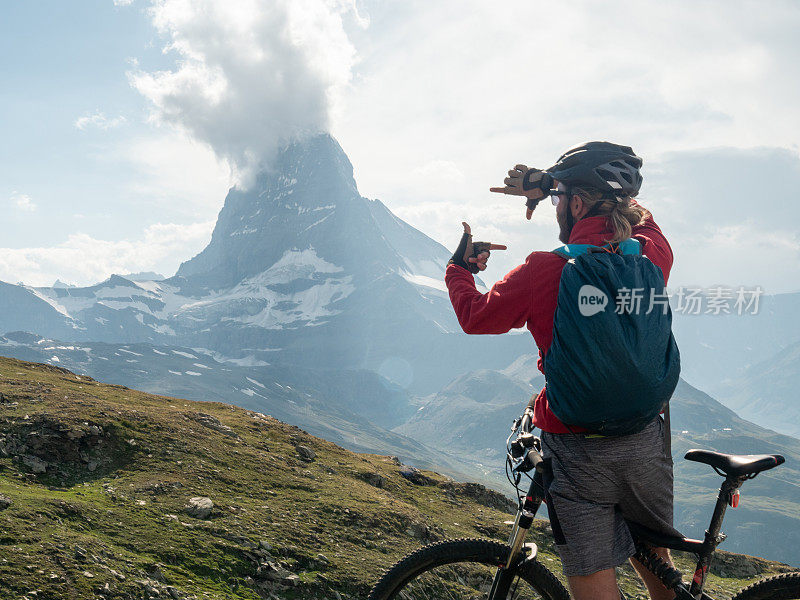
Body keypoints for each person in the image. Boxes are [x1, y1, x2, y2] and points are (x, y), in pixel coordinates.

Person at [445, 141, 678, 600]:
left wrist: (459, 269)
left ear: (574, 204)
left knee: (592, 574)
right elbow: (645, 220)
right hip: (645, 436)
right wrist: (556, 183)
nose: (554, 207)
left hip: (575, 448)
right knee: (655, 557)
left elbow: (475, 317)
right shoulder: (651, 256)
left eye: (558, 200)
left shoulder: (543, 270)